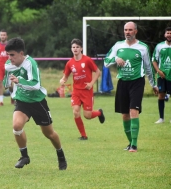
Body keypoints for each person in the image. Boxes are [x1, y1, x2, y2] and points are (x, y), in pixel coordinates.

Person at [3, 37, 67, 170]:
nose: (10, 58)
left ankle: (60, 154)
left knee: (49, 134)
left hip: (38, 102)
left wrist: (19, 80)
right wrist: (8, 84)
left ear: (21, 54)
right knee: (16, 126)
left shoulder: (30, 63)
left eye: (12, 55)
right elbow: (6, 81)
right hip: (22, 101)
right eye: (8, 55)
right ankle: (24, 156)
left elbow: (36, 85)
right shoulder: (9, 65)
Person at [104, 22, 158, 152]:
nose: (127, 32)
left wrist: (153, 84)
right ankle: (130, 142)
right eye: (125, 30)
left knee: (133, 111)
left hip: (137, 82)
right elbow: (106, 62)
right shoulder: (118, 46)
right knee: (125, 115)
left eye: (130, 30)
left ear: (135, 31)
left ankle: (134, 145)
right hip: (122, 82)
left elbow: (148, 68)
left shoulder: (143, 48)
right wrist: (116, 58)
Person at [59, 38, 105, 140]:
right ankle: (83, 135)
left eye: (77, 47)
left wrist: (91, 83)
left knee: (87, 116)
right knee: (75, 111)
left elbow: (98, 72)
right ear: (71, 49)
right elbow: (65, 76)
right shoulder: (70, 63)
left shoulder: (87, 60)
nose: (75, 49)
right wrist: (63, 80)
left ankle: (99, 113)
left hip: (87, 91)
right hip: (76, 91)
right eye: (73, 47)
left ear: (81, 49)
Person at [152, 27, 171, 124]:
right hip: (162, 76)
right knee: (161, 96)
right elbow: (154, 60)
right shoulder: (159, 46)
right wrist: (158, 71)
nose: (169, 35)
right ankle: (161, 118)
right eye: (168, 33)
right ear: (165, 35)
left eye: (170, 33)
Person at [0, 29, 14, 106]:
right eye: (1, 35)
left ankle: (12, 97)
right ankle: (1, 101)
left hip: (9, 67)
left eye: (4, 35)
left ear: (6, 36)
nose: (3, 36)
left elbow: (14, 56)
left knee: (10, 84)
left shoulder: (10, 46)